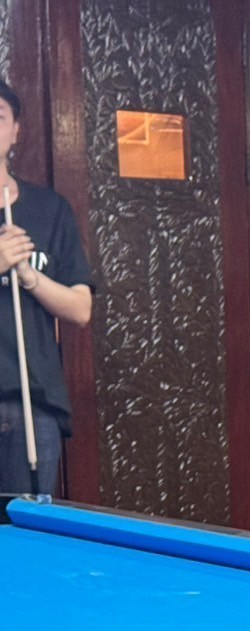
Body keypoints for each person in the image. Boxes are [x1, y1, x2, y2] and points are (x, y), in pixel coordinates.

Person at [0, 77, 93, 495]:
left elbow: (80, 309)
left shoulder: (49, 209)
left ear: (16, 130)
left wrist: (31, 277)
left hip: (33, 405)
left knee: (26, 528)